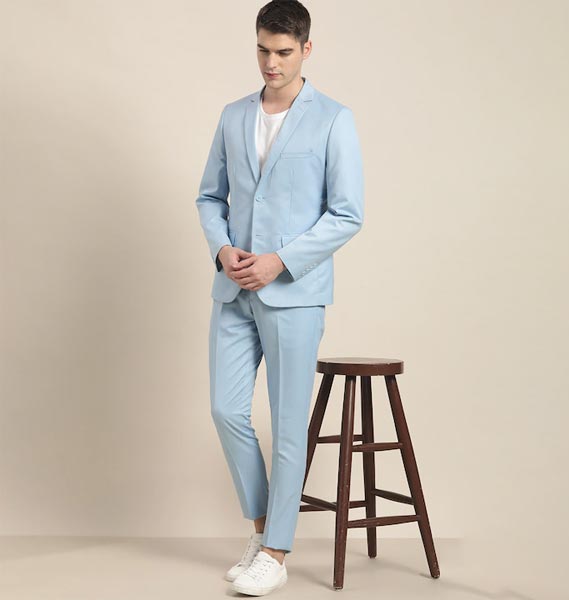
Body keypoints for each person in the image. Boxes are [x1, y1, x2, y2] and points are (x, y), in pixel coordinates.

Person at [194, 0, 364, 594]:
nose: (272, 62)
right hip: (233, 289)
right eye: (263, 50)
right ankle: (264, 530)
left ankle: (277, 552)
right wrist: (223, 250)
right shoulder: (233, 115)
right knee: (225, 410)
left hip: (293, 292)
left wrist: (280, 260)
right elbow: (209, 197)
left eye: (284, 52)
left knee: (289, 426)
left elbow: (347, 213)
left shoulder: (334, 120)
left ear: (306, 49)